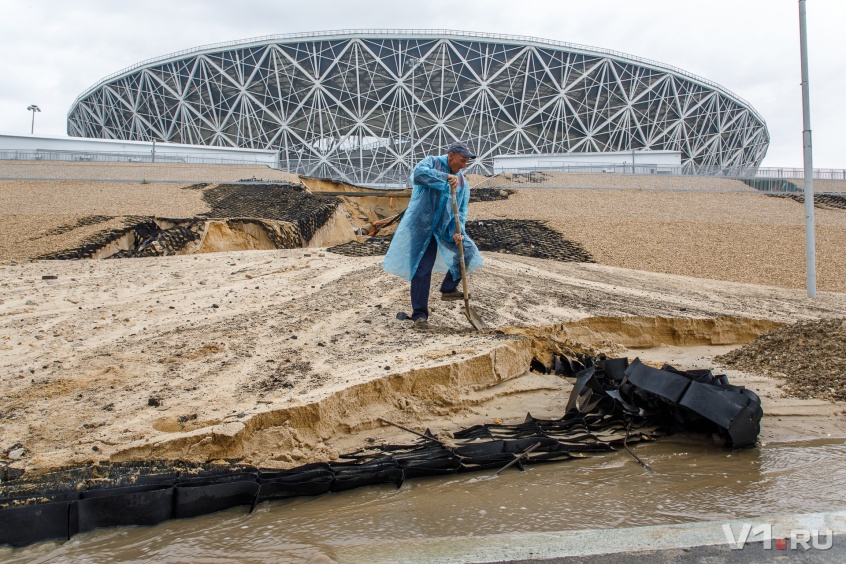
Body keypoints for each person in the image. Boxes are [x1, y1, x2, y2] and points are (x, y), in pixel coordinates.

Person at [382, 141, 484, 330]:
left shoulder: (462, 181)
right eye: (461, 161)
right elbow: (418, 175)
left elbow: (461, 210)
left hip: (445, 227)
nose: (463, 166)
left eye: (466, 163)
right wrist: (445, 177)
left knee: (469, 252)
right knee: (422, 269)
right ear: (451, 155)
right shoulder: (432, 163)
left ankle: (448, 288)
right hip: (422, 226)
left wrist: (457, 231)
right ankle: (420, 316)